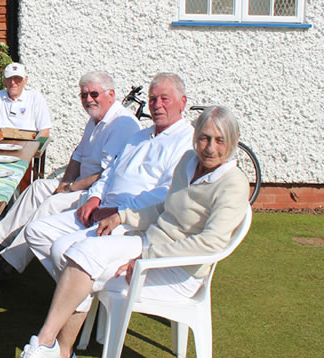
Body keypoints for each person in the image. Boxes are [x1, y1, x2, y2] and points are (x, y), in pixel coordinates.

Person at [19, 106, 250, 358]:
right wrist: (122, 217)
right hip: (149, 242)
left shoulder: (233, 183)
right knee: (78, 253)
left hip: (180, 271)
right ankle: (50, 345)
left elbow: (210, 244)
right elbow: (165, 207)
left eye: (220, 140)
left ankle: (53, 347)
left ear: (234, 140)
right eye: (204, 137)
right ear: (196, 137)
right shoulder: (188, 161)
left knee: (85, 267)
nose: (210, 147)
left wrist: (146, 257)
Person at [25, 73, 194, 278]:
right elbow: (110, 172)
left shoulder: (186, 142)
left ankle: (79, 299)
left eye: (164, 98)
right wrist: (95, 198)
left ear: (182, 102)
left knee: (61, 249)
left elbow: (166, 193)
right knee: (36, 231)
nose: (157, 105)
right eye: (152, 99)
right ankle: (82, 295)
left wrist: (118, 211)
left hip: (131, 220)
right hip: (100, 207)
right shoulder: (139, 137)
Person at [0, 71, 140, 283]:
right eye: (84, 95)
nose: (88, 99)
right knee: (37, 188)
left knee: (51, 204)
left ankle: (6, 264)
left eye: (94, 94)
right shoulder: (96, 118)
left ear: (111, 94)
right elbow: (77, 156)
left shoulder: (122, 124)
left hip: (99, 194)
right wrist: (65, 182)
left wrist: (69, 189)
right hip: (80, 185)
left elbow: (105, 175)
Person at [0, 62, 52, 137]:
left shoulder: (35, 98)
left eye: (17, 78)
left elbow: (45, 131)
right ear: (4, 81)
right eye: (9, 78)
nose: (13, 82)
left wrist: (33, 148)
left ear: (25, 80)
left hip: (26, 146)